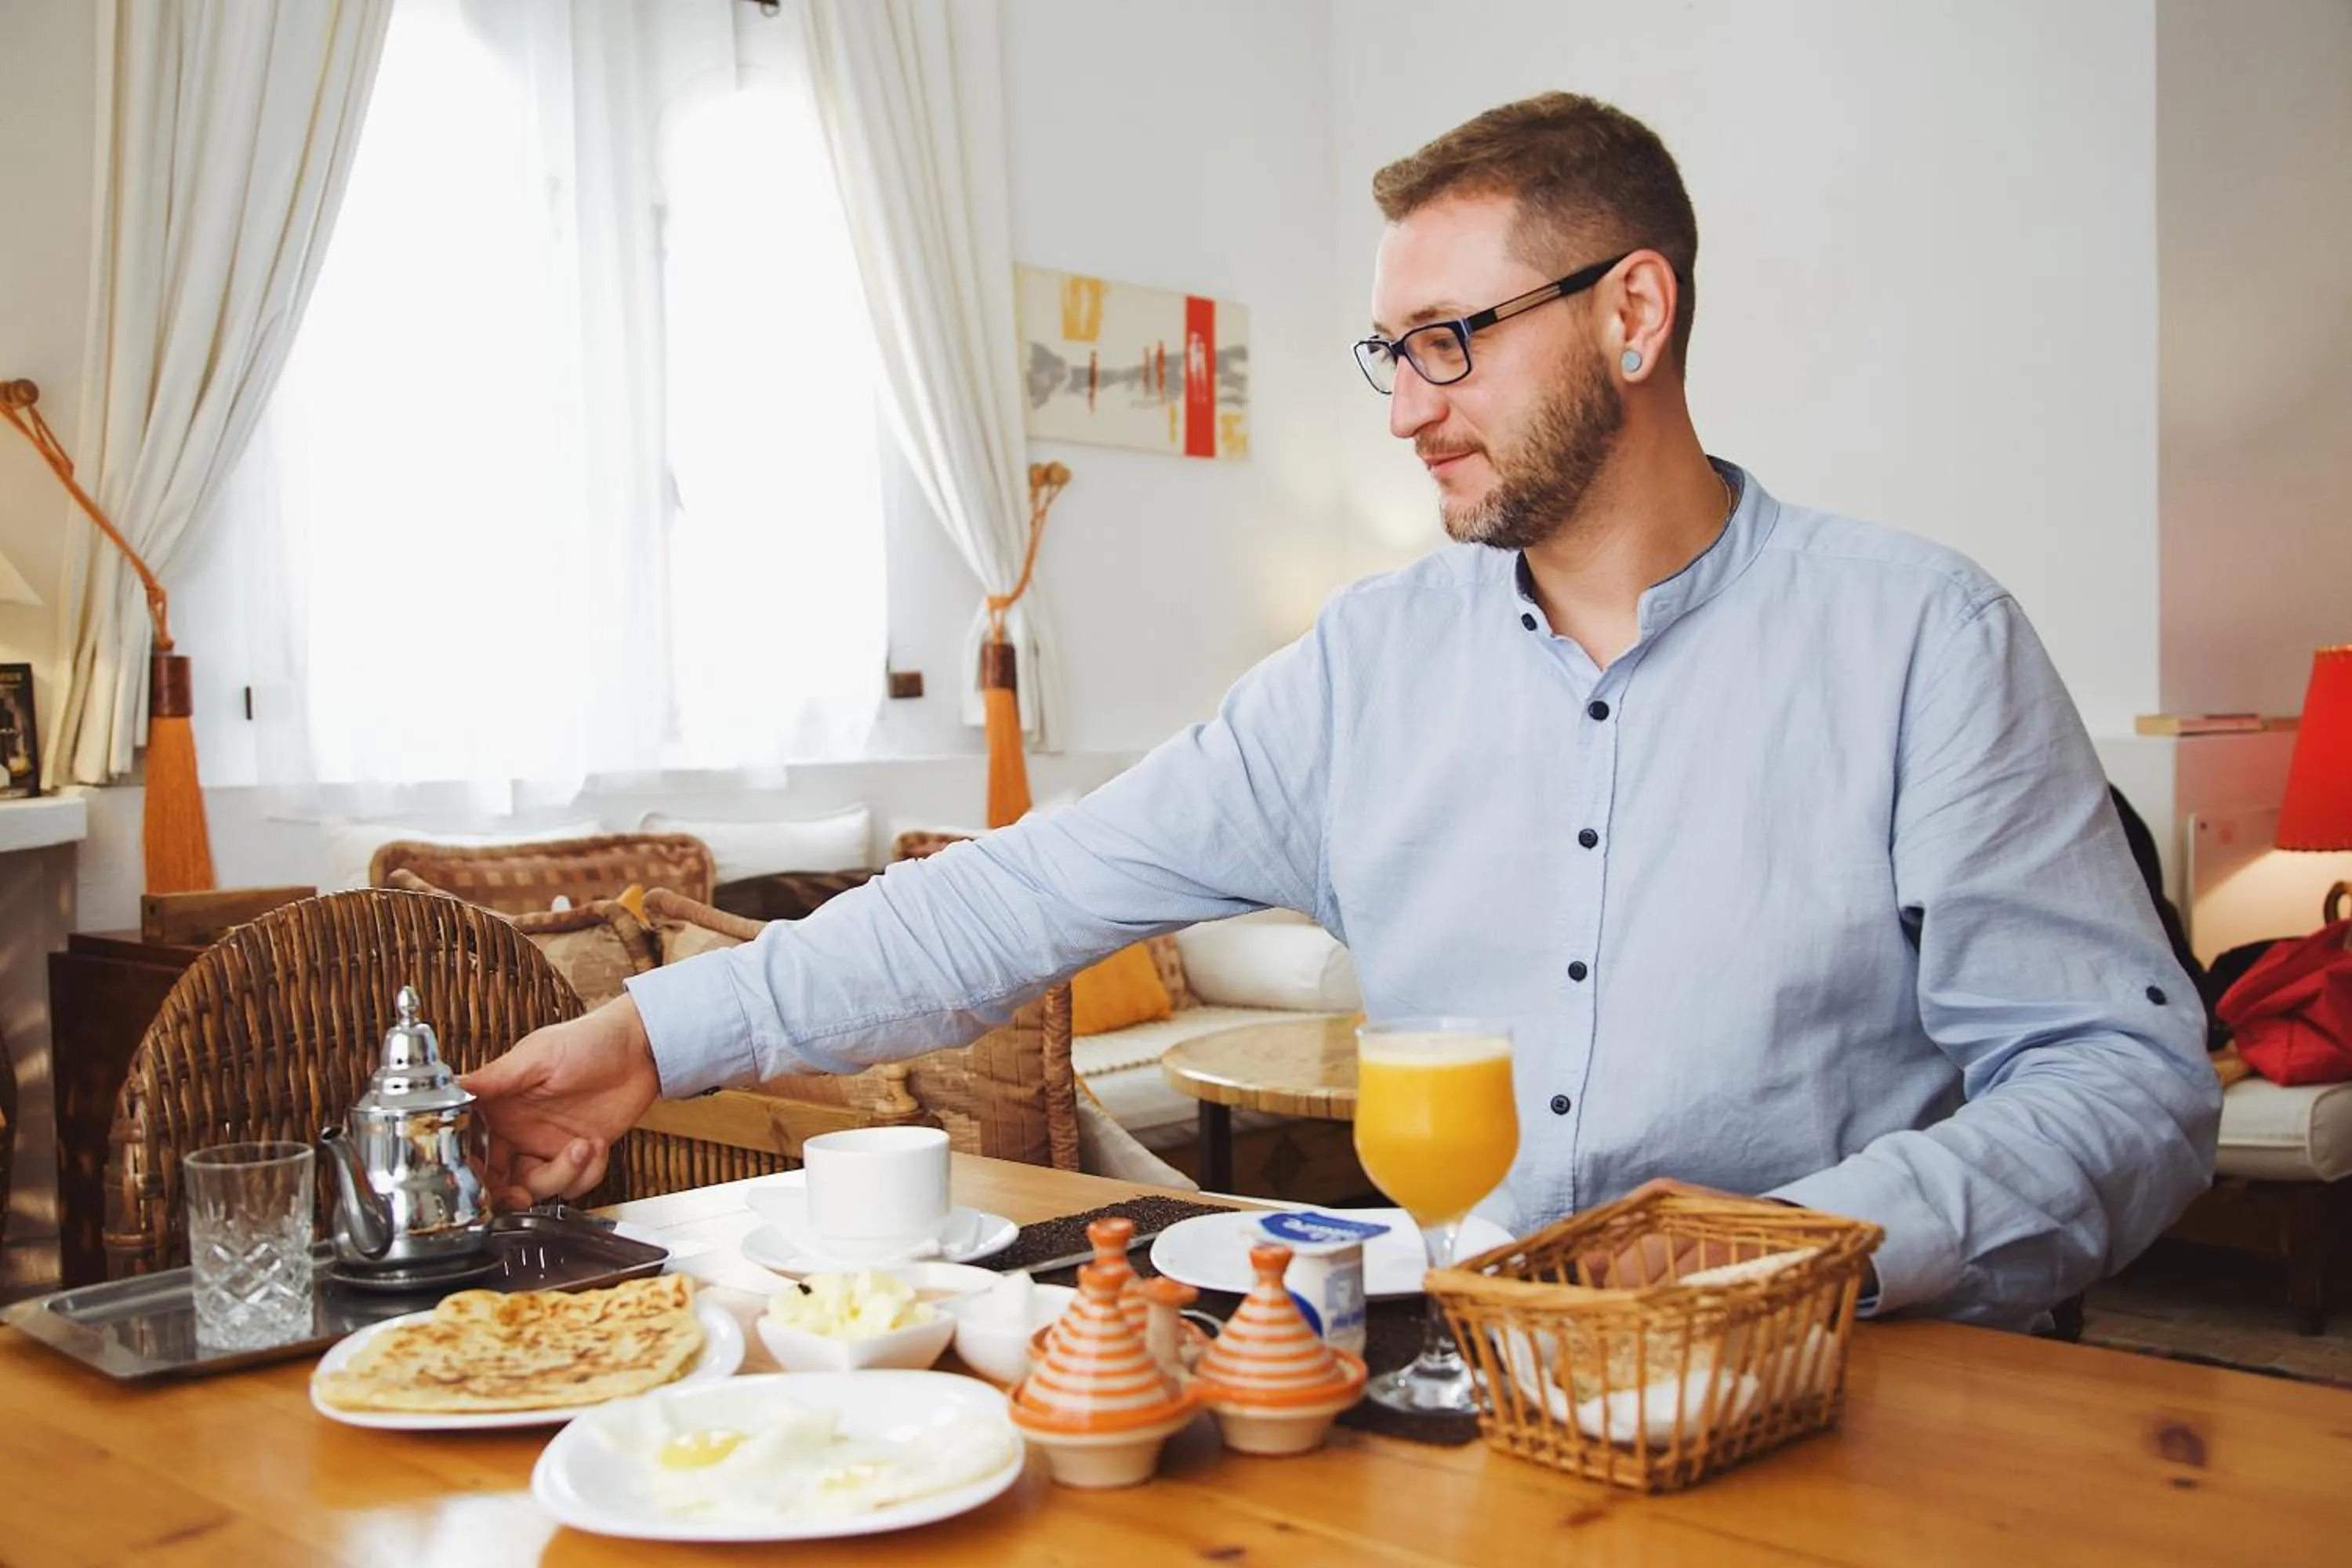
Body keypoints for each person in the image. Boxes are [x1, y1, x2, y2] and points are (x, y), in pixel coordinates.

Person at [463, 92, 2220, 1330]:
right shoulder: (1361, 673)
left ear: (1633, 312)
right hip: (1464, 1379)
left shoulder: (1926, 644)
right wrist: (653, 1036)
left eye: (1449, 339)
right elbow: (1017, 894)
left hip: (1857, 1386)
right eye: (1392, 351)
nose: (1405, 409)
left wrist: (1781, 1249)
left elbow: (2124, 1081)